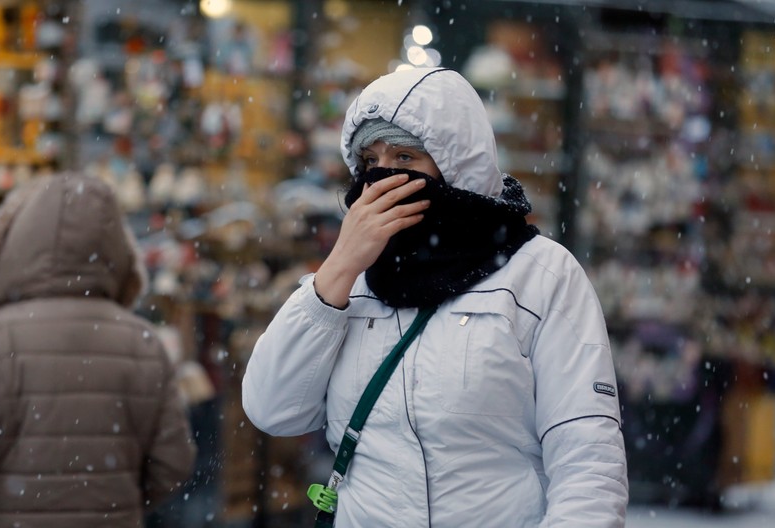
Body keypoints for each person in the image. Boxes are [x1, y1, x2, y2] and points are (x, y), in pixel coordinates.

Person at [242, 67, 628, 527]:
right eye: (370, 161)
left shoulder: (541, 275)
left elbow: (587, 459)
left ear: (456, 168)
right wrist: (338, 268)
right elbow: (273, 408)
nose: (383, 178)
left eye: (406, 158)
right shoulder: (355, 279)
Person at [0, 173, 196, 528]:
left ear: (17, 244)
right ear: (116, 247)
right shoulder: (142, 343)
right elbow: (173, 462)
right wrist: (113, 501)